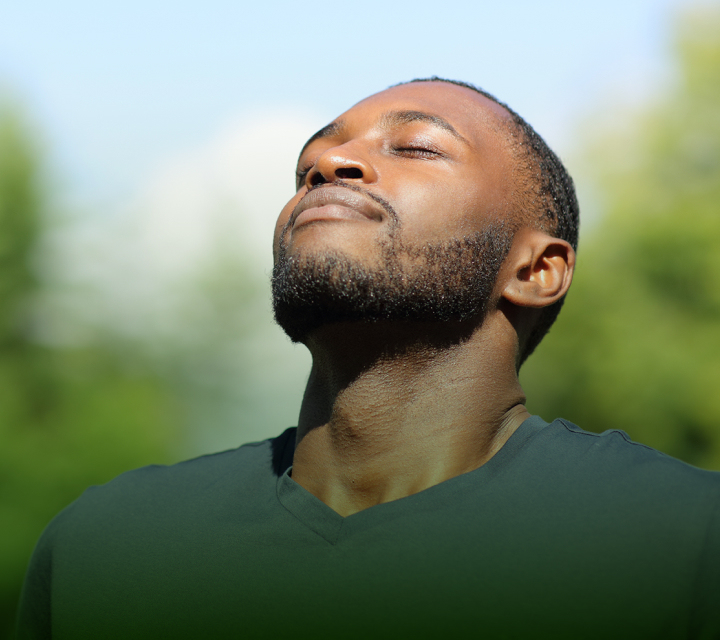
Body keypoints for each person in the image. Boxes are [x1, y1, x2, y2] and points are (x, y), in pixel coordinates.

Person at [17, 78, 720, 639]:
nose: (328, 164)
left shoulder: (680, 544)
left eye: (414, 147)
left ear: (535, 271)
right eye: (306, 168)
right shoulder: (106, 550)